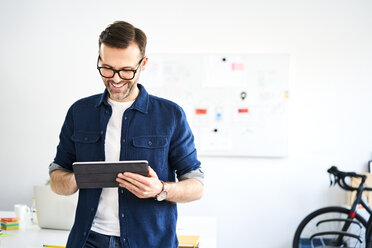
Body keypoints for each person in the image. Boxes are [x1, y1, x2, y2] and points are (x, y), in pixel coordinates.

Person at [49, 21, 204, 248]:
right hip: (88, 240)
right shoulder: (79, 112)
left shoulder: (170, 115)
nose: (116, 79)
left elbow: (196, 186)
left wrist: (161, 189)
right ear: (99, 60)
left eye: (126, 70)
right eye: (107, 68)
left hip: (150, 242)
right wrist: (74, 180)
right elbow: (56, 176)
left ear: (143, 64)